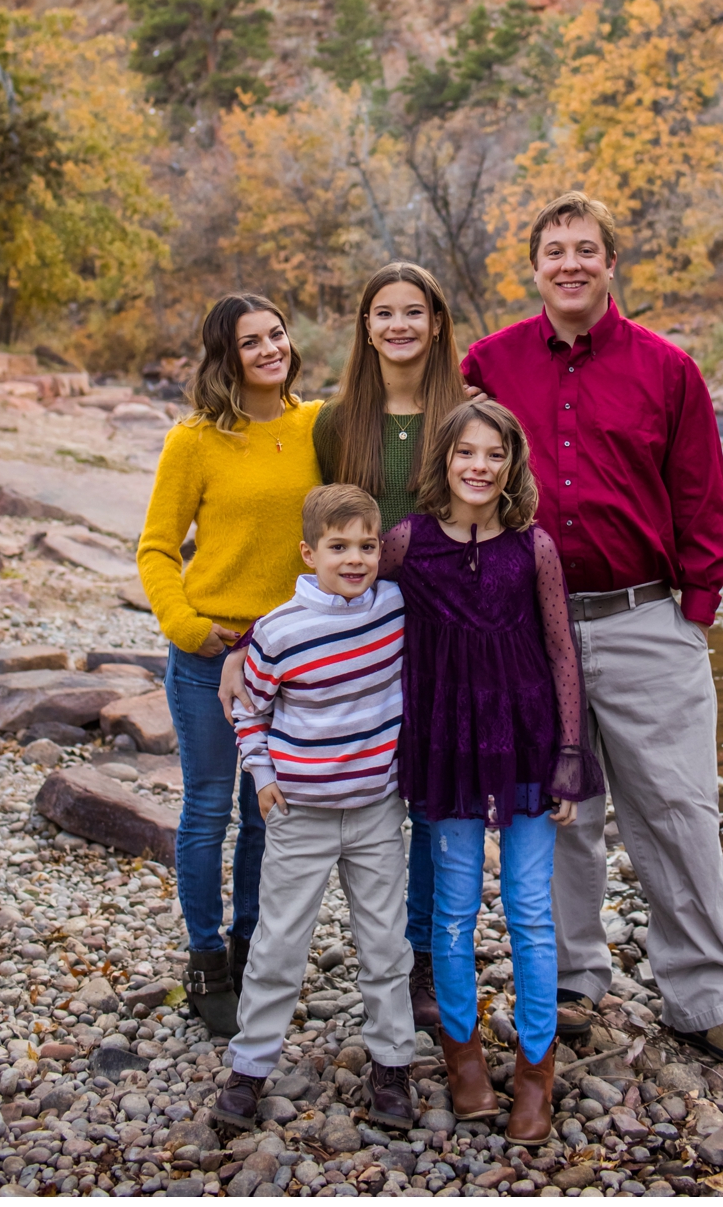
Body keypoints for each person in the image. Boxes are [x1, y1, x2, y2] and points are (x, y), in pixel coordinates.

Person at [460, 192, 723, 1074]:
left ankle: (704, 996)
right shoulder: (490, 363)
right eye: (554, 250)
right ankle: (571, 983)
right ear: (534, 266)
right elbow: (458, 475)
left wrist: (694, 611)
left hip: (644, 619)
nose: (570, 264)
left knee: (676, 810)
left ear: (609, 262)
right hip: (527, 630)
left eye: (585, 249)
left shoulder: (668, 369)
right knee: (562, 816)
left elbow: (703, 494)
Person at [382, 398, 603, 1145]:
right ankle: (465, 1060)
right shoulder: (405, 543)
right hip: (444, 745)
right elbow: (340, 599)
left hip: (527, 744)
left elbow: (562, 650)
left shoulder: (532, 546)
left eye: (494, 456)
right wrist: (261, 649)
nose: (479, 467)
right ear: (444, 460)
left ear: (512, 467)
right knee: (451, 915)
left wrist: (570, 753)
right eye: (466, 453)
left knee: (530, 914)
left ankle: (536, 1072)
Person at [136, 292, 322, 1035]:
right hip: (212, 658)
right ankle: (205, 955)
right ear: (227, 357)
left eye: (277, 334)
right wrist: (187, 627)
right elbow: (155, 548)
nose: (271, 349)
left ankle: (251, 950)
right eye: (252, 342)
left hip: (293, 660)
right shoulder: (195, 442)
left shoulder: (317, 426)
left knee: (265, 816)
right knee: (210, 808)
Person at [207, 483, 415, 1135]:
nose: (354, 560)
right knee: (278, 945)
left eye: (366, 546)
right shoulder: (278, 632)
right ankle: (248, 1068)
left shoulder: (395, 607)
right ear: (308, 552)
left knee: (385, 944)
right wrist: (261, 774)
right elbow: (251, 711)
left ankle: (392, 1065)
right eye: (338, 547)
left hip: (378, 808)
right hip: (300, 810)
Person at [312, 261, 471, 1032]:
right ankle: (378, 958)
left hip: (449, 638)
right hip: (363, 640)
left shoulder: (468, 416)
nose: (399, 324)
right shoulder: (336, 424)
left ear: (437, 323)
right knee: (374, 807)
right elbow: (317, 534)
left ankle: (428, 965)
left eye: (415, 311)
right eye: (384, 313)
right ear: (365, 327)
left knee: (440, 808)